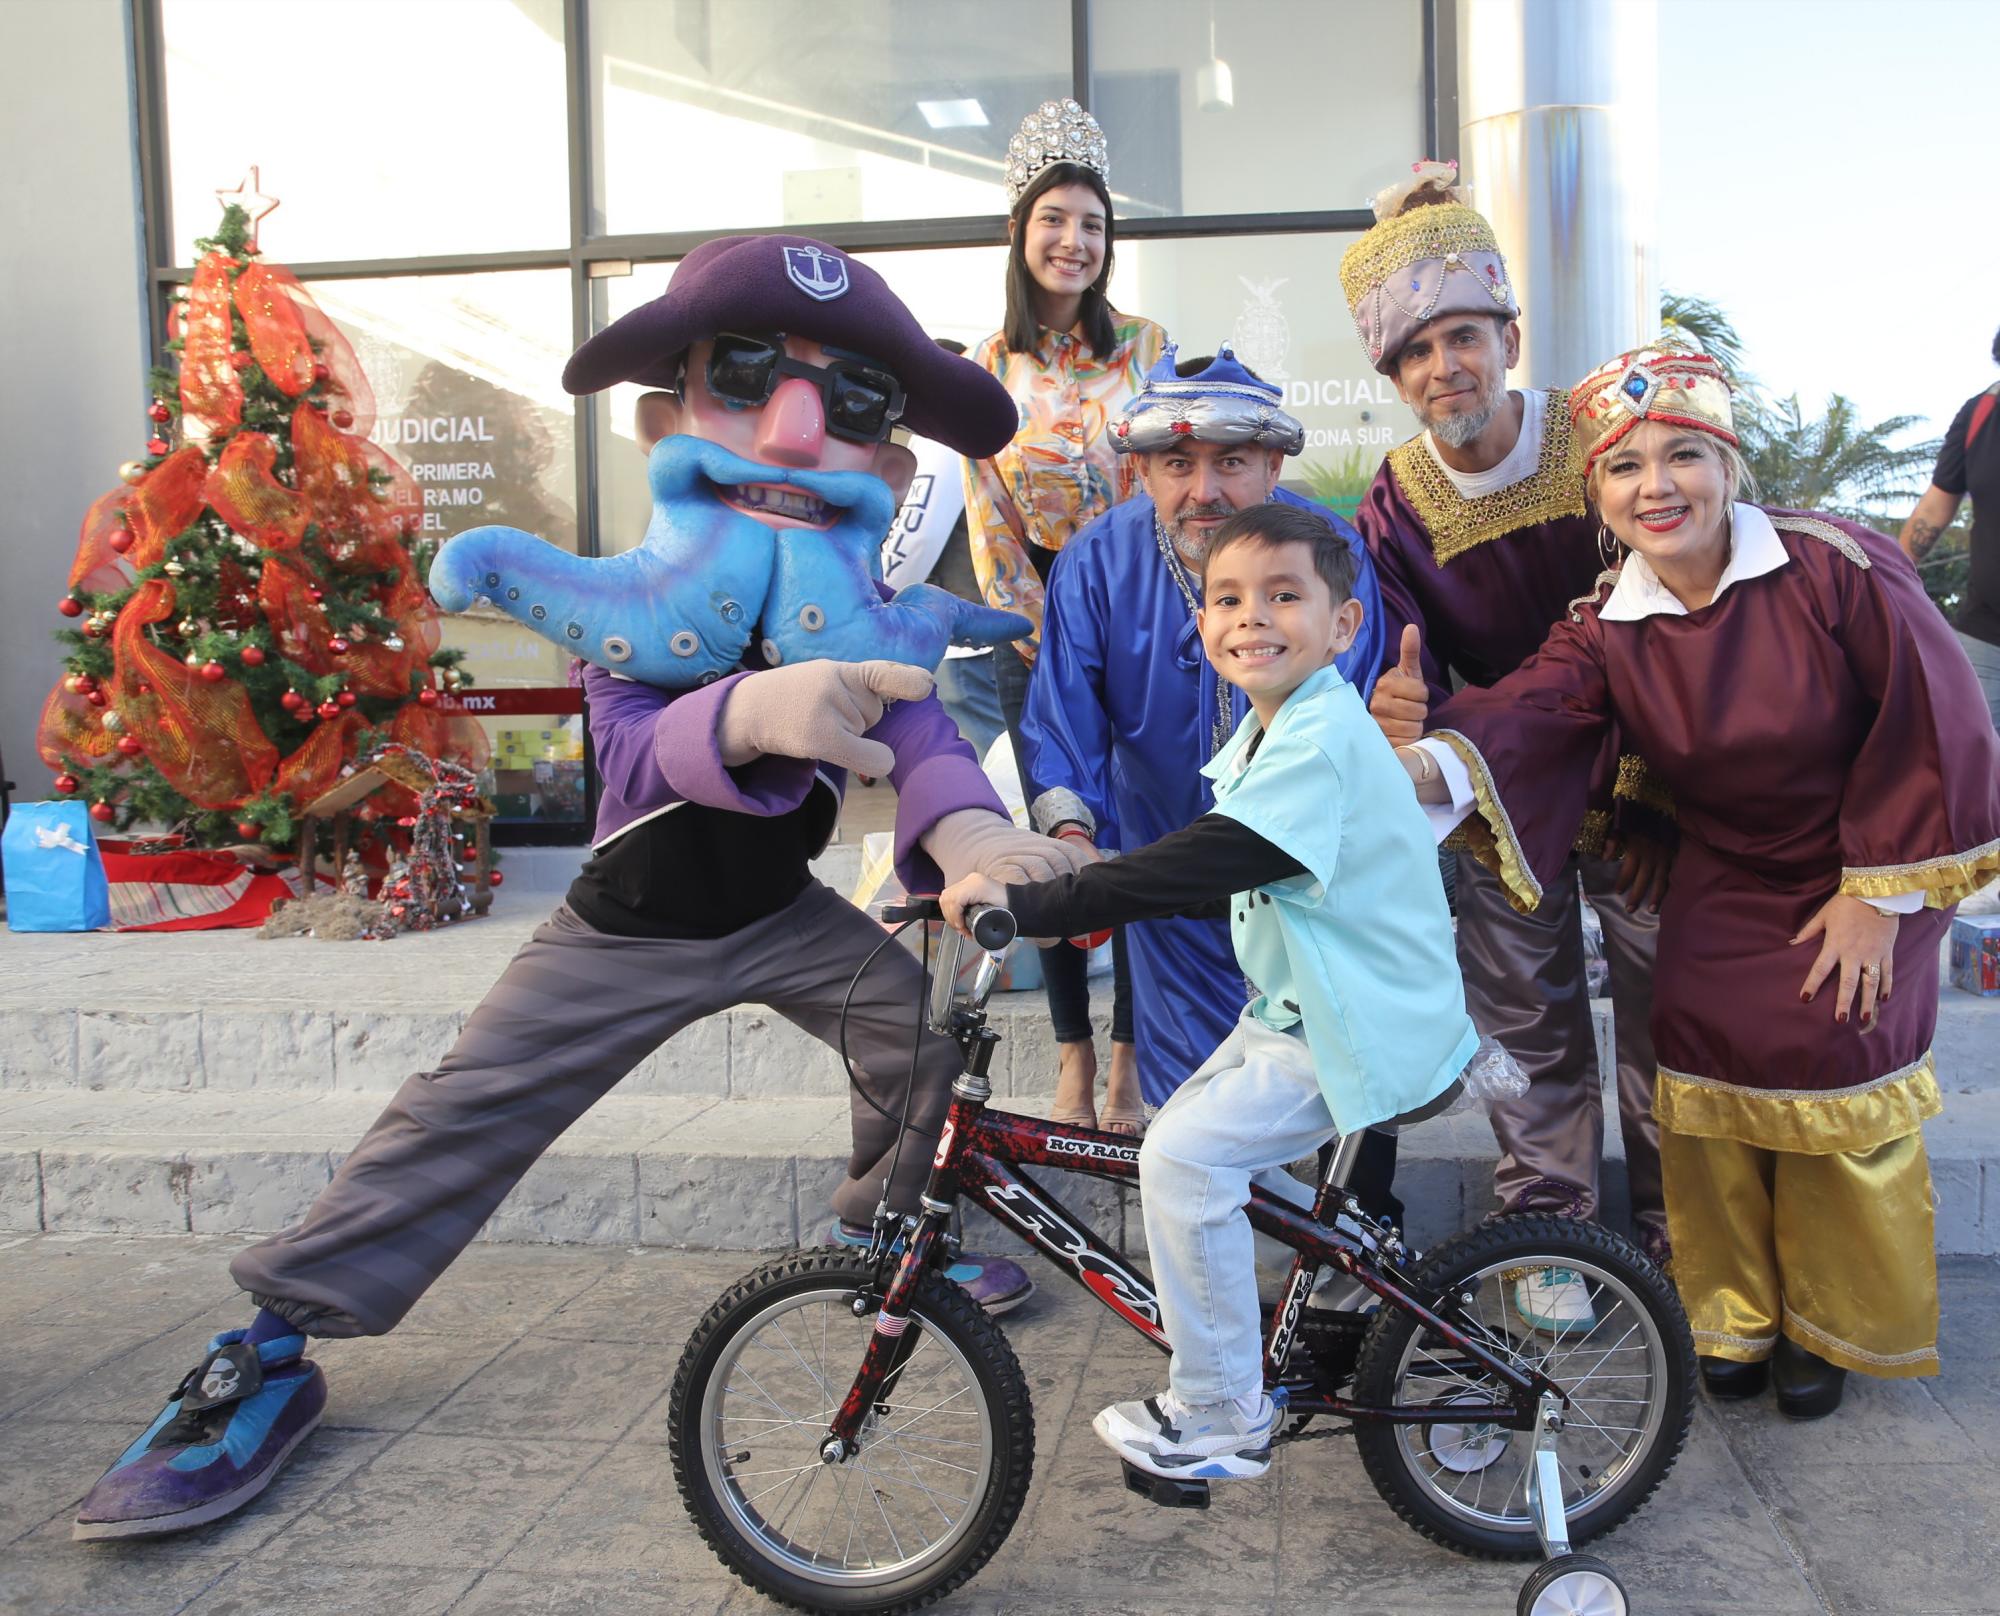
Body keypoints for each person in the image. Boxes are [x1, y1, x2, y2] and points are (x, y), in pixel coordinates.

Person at [71, 235, 1096, 1540]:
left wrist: (977, 845)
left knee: (916, 1039)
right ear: (671, 419)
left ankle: (888, 1235)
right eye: (746, 379)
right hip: (627, 927)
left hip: (780, 917)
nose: (793, 429)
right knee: (461, 1113)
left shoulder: (867, 612)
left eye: (850, 404)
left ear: (889, 467)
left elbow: (929, 752)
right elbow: (626, 750)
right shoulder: (641, 603)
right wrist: (745, 711)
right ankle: (268, 1342)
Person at [1397, 337, 2000, 1419]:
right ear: (1597, 492)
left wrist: (1875, 897)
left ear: (1729, 465)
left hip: (1867, 861)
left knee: (1828, 1051)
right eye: (1625, 467)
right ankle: (1726, 1310)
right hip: (1725, 866)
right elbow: (1530, 711)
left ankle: (1828, 1321)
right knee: (1695, 1058)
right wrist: (1415, 764)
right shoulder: (1604, 622)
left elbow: (1937, 721)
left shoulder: (1838, 567)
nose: (1655, 486)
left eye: (1682, 455)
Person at [942, 503, 1477, 1481]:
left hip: (1348, 1025)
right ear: (1202, 626)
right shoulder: (1279, 731)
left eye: (1283, 595)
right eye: (1227, 598)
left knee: (1183, 1159)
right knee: (1185, 1142)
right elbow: (1204, 873)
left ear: (1341, 626)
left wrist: (1035, 900)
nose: (1251, 618)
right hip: (1298, 1007)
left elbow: (1194, 866)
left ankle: (1221, 1405)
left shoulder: (1318, 743)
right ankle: (1334, 1307)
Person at [1346, 160, 1671, 1329]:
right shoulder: (1389, 501)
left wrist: (1660, 774)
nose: (1446, 368)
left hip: (1642, 774)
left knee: (1661, 1005)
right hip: (1492, 791)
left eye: (1464, 337)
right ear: (1393, 376)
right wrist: (1399, 717)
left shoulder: (1596, 442)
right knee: (1520, 1017)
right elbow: (1400, 657)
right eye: (1416, 351)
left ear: (1510, 336)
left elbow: (1670, 597)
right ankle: (1551, 1230)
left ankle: (1672, 1235)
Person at [1025, 346, 1398, 1221]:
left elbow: (1350, 717)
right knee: (1201, 1107)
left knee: (1345, 1081)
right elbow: (1061, 717)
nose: (1205, 491)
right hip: (1173, 885)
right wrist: (1076, 839)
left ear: (1273, 464)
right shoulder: (1095, 562)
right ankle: (1244, 1276)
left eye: (1231, 462)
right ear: (1142, 469)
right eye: (1177, 464)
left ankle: (1356, 1270)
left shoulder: (1333, 556)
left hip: (1309, 885)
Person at [963, 97, 1164, 1134]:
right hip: (1024, 633)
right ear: (1019, 229)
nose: (1073, 241)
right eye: (1054, 219)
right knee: (1048, 840)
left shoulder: (1145, 349)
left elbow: (1159, 496)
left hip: (1129, 624)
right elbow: (986, 519)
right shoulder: (983, 367)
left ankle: (1129, 1052)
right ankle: (1072, 1054)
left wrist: (1106, 616)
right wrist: (1035, 629)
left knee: (1129, 839)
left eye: (1090, 223)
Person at [882, 338, 1005, 761]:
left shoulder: (942, 446)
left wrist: (879, 598)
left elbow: (914, 536)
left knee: (988, 751)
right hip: (991, 618)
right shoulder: (988, 436)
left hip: (963, 626)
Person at [1900, 323, 2000, 732]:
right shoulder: (1980, 414)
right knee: (1969, 767)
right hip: (1985, 635)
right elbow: (1934, 510)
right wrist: (1886, 578)